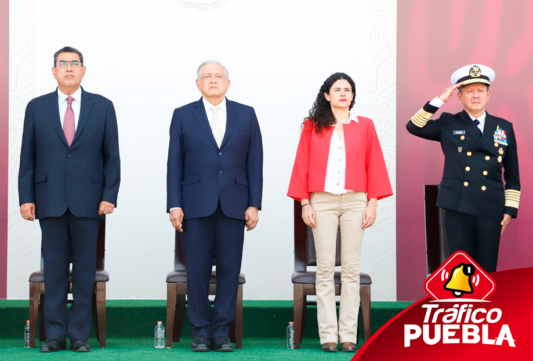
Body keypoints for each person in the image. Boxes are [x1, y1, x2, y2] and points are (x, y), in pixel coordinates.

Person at [18, 46, 120, 353]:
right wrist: (26, 197)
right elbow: (27, 157)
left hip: (90, 202)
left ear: (83, 70)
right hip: (49, 200)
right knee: (55, 270)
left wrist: (109, 195)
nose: (69, 68)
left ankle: (79, 335)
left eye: (74, 63)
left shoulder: (102, 107)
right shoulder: (37, 107)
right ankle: (54, 335)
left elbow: (112, 157)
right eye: (62, 64)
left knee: (86, 270)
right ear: (53, 72)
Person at [287, 73, 392, 353]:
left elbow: (375, 164)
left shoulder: (365, 126)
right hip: (321, 201)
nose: (344, 93)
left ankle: (348, 335)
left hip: (356, 201)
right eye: (338, 89)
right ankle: (328, 336)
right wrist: (305, 203)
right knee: (324, 268)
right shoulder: (312, 126)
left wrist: (373, 203)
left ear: (353, 96)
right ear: (327, 95)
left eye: (348, 89)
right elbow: (302, 165)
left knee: (350, 267)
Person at [166, 60, 263, 352]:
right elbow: (174, 164)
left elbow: (254, 163)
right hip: (194, 206)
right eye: (206, 76)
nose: (212, 80)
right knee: (195, 271)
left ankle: (221, 332)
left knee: (229, 271)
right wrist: (174, 204)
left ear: (228, 83)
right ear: (197, 84)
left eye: (218, 76)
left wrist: (254, 204)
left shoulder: (246, 114)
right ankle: (199, 333)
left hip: (234, 204)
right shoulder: (183, 115)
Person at [406, 64, 520, 273]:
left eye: (480, 91)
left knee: (486, 268)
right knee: (459, 268)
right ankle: (461, 306)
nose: (475, 95)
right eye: (469, 91)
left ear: (488, 94)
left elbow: (512, 174)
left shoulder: (503, 127)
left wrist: (509, 210)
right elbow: (414, 126)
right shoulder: (448, 122)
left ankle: (484, 307)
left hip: (490, 207)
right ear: (459, 97)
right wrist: (439, 100)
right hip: (458, 204)